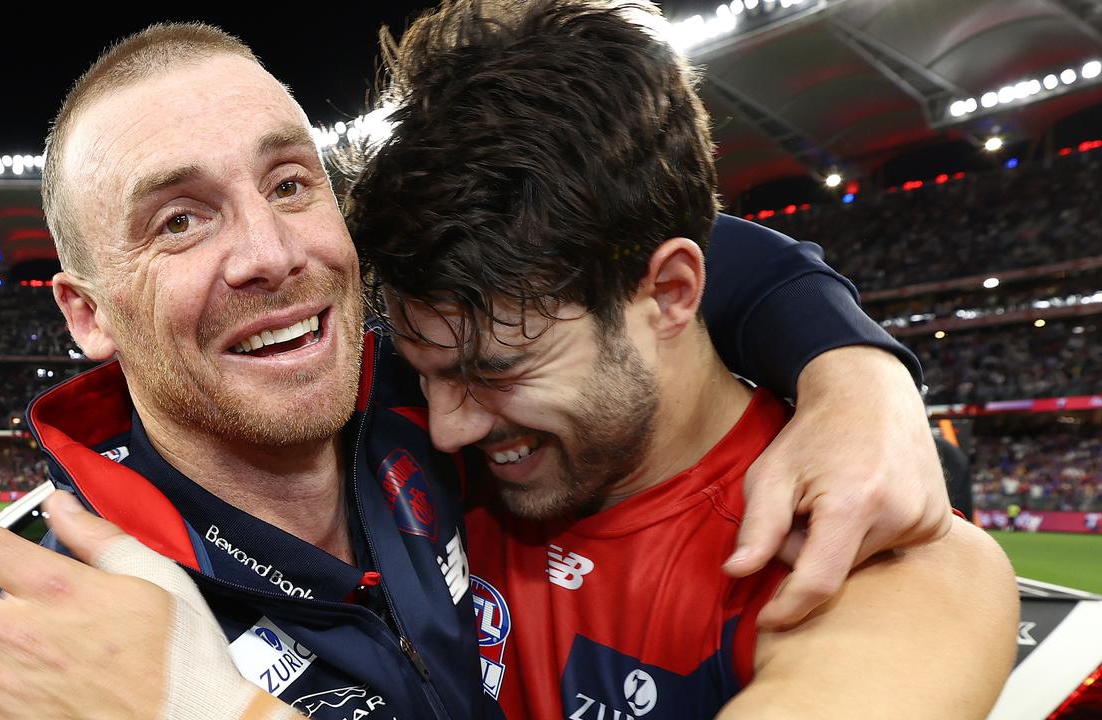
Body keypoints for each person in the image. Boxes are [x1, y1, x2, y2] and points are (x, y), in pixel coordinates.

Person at [0, 16, 951, 720]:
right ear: (85, 313)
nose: (270, 253)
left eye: (292, 183)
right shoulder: (42, 633)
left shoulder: (445, 386)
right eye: (180, 219)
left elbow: (635, 249)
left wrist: (851, 367)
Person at [345, 1, 1017, 716]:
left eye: (498, 369)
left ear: (670, 294)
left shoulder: (858, 562)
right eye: (428, 372)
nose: (447, 428)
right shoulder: (418, 448)